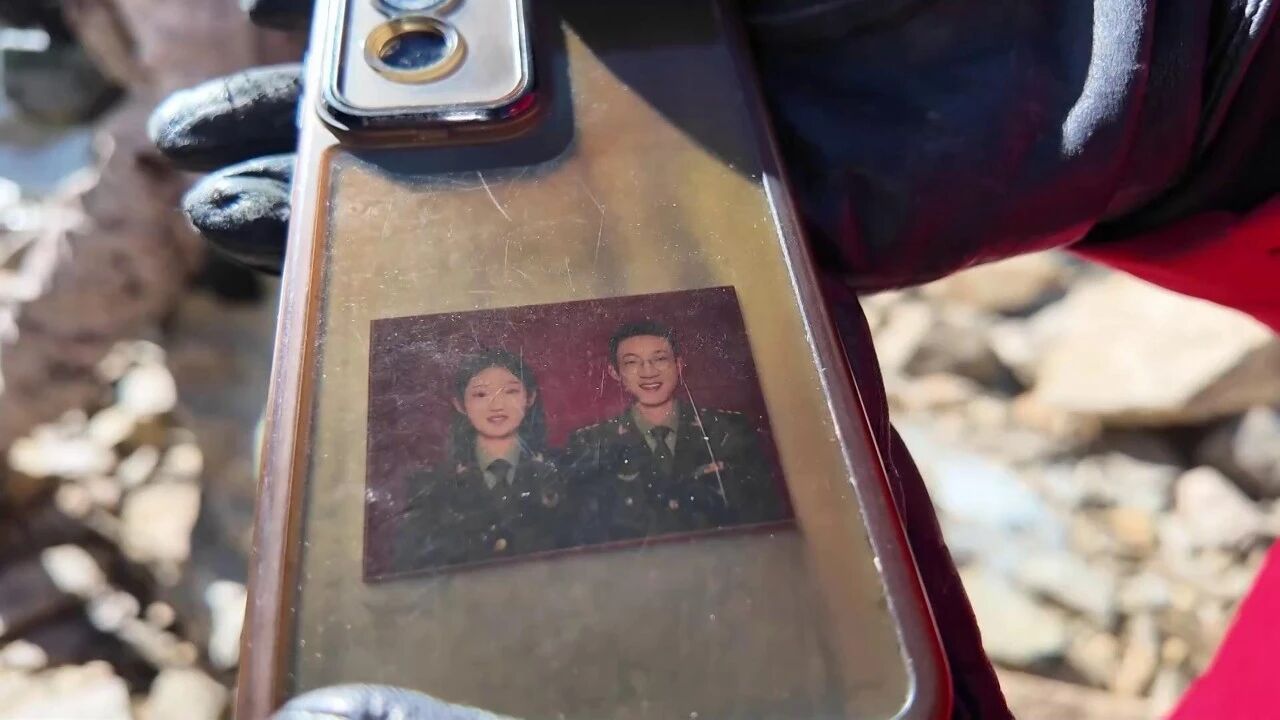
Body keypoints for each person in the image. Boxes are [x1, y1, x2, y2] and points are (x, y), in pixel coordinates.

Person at [146, 0, 1280, 718]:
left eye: (659, 361)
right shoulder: (474, 480)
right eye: (478, 388)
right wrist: (1221, 75)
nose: (649, 377)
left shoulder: (726, 436)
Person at [562, 320, 789, 543]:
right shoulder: (591, 442)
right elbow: (585, 535)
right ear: (615, 372)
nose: (648, 371)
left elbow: (766, 518)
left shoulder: (728, 430)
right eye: (632, 362)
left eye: (660, 359)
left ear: (679, 365)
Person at [390, 349, 568, 575]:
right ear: (459, 404)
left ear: (530, 397)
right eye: (481, 394)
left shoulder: (563, 471)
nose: (497, 405)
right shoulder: (430, 488)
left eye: (510, 391)